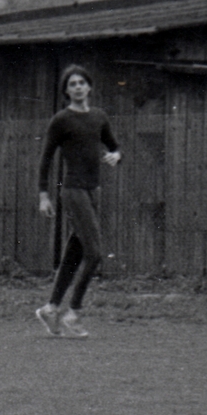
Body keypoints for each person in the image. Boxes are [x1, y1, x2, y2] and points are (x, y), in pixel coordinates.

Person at [35, 64, 121, 339]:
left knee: (75, 251)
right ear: (66, 91)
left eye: (81, 82)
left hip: (93, 191)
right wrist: (43, 196)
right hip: (73, 191)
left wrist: (116, 156)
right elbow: (46, 158)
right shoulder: (61, 120)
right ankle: (73, 313)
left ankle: (50, 308)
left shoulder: (99, 117)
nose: (78, 87)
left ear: (89, 86)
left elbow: (115, 146)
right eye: (72, 84)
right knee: (94, 253)